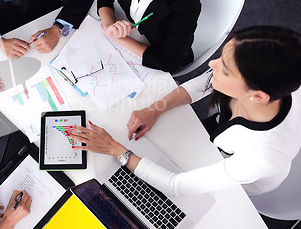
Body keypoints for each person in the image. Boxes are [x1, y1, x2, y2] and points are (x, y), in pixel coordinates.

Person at [70, 25, 301, 197]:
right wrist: (154, 109)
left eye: (226, 70)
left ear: (258, 96)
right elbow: (205, 83)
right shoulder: (264, 81)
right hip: (221, 134)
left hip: (238, 177)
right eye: (221, 56)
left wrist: (114, 149)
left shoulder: (261, 157)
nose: (212, 64)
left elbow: (176, 185)